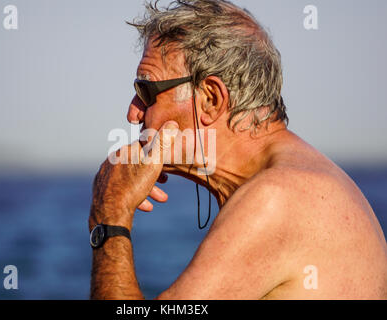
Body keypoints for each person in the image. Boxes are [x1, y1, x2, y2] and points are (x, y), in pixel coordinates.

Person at [88, 0, 387, 299]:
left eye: (146, 91)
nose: (133, 113)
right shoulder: (296, 181)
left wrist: (111, 212)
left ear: (211, 99)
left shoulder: (275, 198)